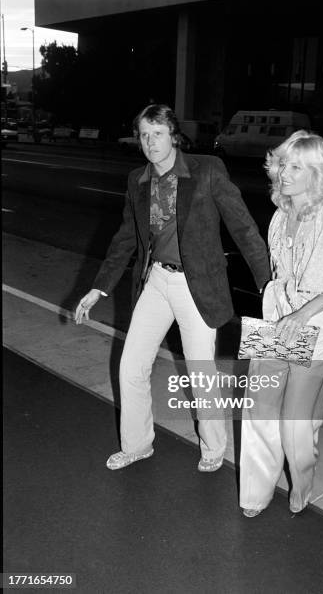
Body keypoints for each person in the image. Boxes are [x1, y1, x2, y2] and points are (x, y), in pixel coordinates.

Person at [75, 104, 270, 473]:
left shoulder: (207, 170)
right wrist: (98, 288)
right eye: (144, 135)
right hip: (156, 282)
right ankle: (137, 445)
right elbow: (125, 239)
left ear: (174, 135)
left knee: (201, 372)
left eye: (158, 134)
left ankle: (213, 447)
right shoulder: (138, 180)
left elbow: (243, 228)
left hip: (195, 285)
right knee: (130, 366)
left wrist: (267, 281)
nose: (150, 142)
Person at [239, 130, 323, 517]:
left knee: (296, 427)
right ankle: (255, 494)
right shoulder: (279, 215)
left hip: (313, 329)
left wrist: (301, 313)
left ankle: (302, 479)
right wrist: (277, 303)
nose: (284, 173)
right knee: (260, 411)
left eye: (295, 167)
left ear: (315, 173)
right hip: (276, 323)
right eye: (282, 164)